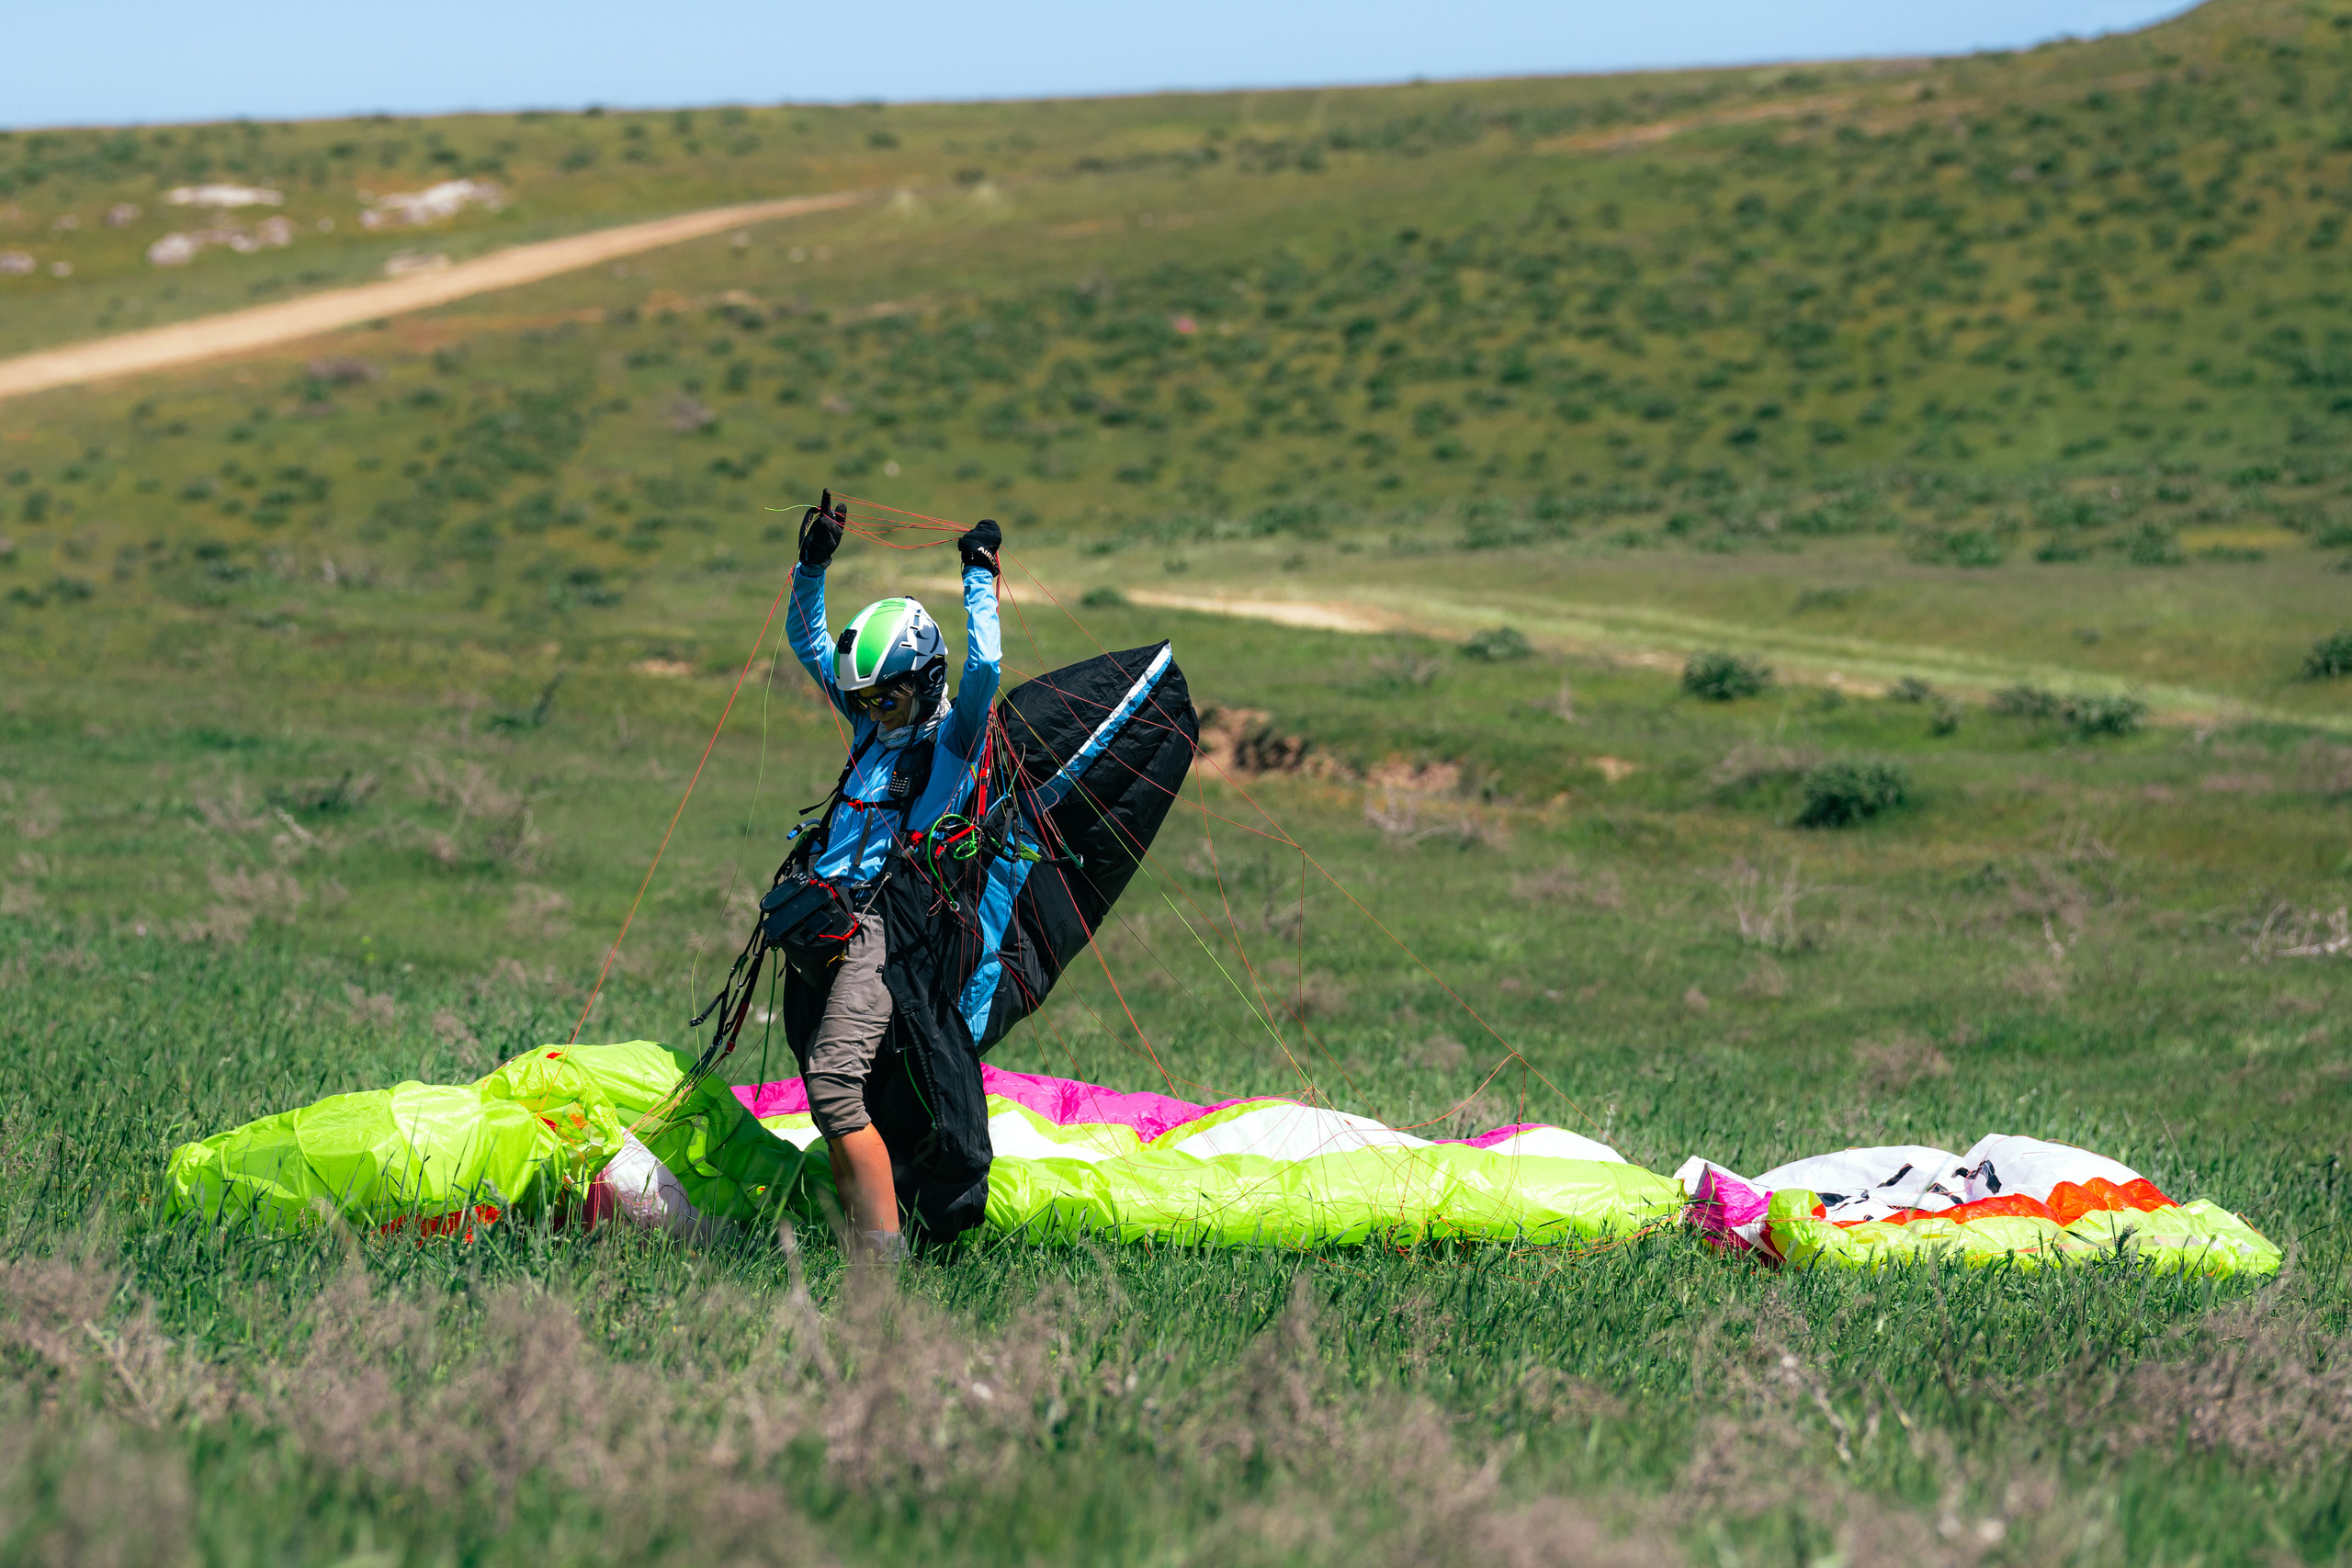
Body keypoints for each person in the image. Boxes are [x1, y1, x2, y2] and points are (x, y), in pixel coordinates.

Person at [783, 494, 1001, 1259]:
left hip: (879, 932)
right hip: (826, 924)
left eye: (890, 695)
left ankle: (878, 1270)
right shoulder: (875, 730)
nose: (875, 711)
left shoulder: (949, 744)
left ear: (927, 676)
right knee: (838, 1091)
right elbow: (808, 640)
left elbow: (990, 669)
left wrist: (979, 575)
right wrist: (813, 565)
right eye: (864, 701)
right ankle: (867, 1227)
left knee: (836, 1086)